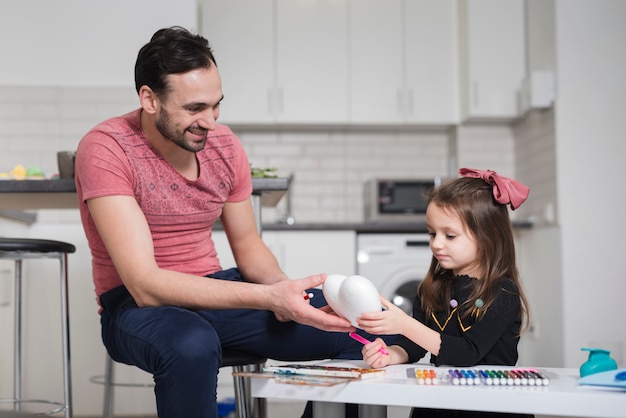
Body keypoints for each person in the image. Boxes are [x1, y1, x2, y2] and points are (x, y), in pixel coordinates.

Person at [74, 26, 375, 418]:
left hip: (216, 293)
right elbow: (145, 286)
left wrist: (286, 295)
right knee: (192, 343)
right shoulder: (107, 148)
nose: (211, 122)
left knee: (356, 329)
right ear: (149, 99)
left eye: (216, 105)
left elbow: (249, 248)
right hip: (136, 307)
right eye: (194, 109)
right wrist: (267, 298)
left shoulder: (225, 146)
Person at [356, 168, 533, 418]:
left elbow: (468, 352)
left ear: (487, 238)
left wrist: (405, 324)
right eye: (432, 233)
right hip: (440, 401)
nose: (436, 244)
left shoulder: (502, 293)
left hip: (489, 406)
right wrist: (389, 355)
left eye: (449, 235)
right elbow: (413, 346)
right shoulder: (433, 287)